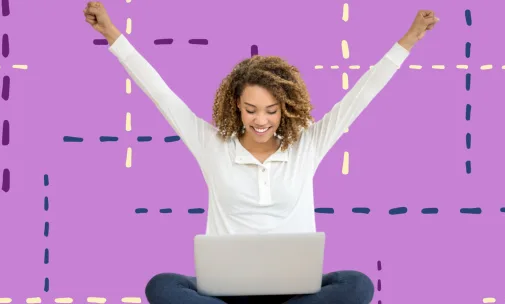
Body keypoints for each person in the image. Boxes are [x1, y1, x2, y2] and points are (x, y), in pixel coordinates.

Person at [83, 2, 438, 303]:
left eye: (271, 110)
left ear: (285, 108)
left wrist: (407, 41)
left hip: (295, 293)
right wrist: (113, 34)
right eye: (251, 109)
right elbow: (160, 94)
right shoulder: (212, 145)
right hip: (225, 293)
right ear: (236, 106)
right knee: (161, 286)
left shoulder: (307, 145)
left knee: (357, 285)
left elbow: (360, 97)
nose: (261, 120)